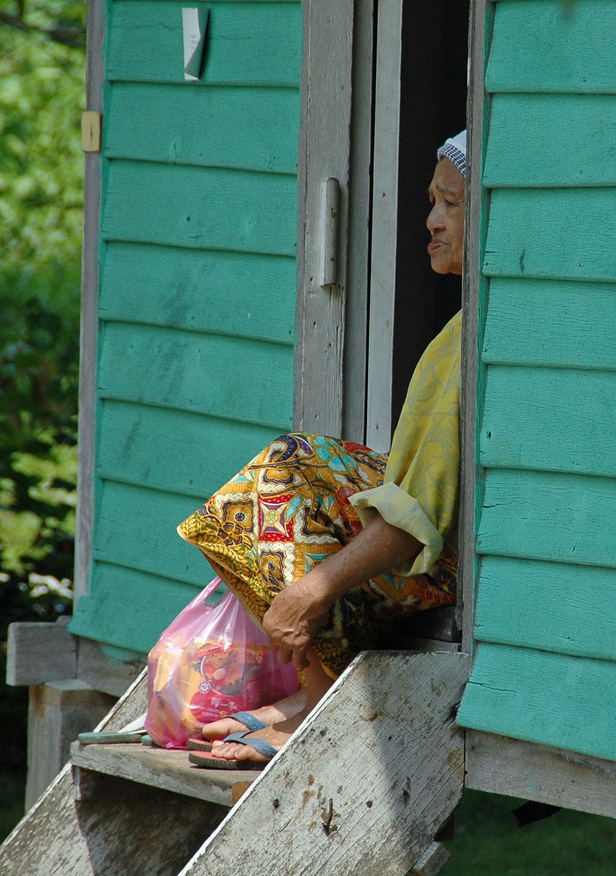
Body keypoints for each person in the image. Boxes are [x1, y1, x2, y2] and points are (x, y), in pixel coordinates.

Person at [180, 131, 468, 769]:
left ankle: (313, 703)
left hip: (449, 567)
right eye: (431, 201)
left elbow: (418, 522)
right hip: (435, 549)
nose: (431, 220)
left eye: (451, 204)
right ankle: (305, 697)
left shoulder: (472, 342)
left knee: (291, 468)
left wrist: (311, 590)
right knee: (300, 462)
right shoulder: (463, 326)